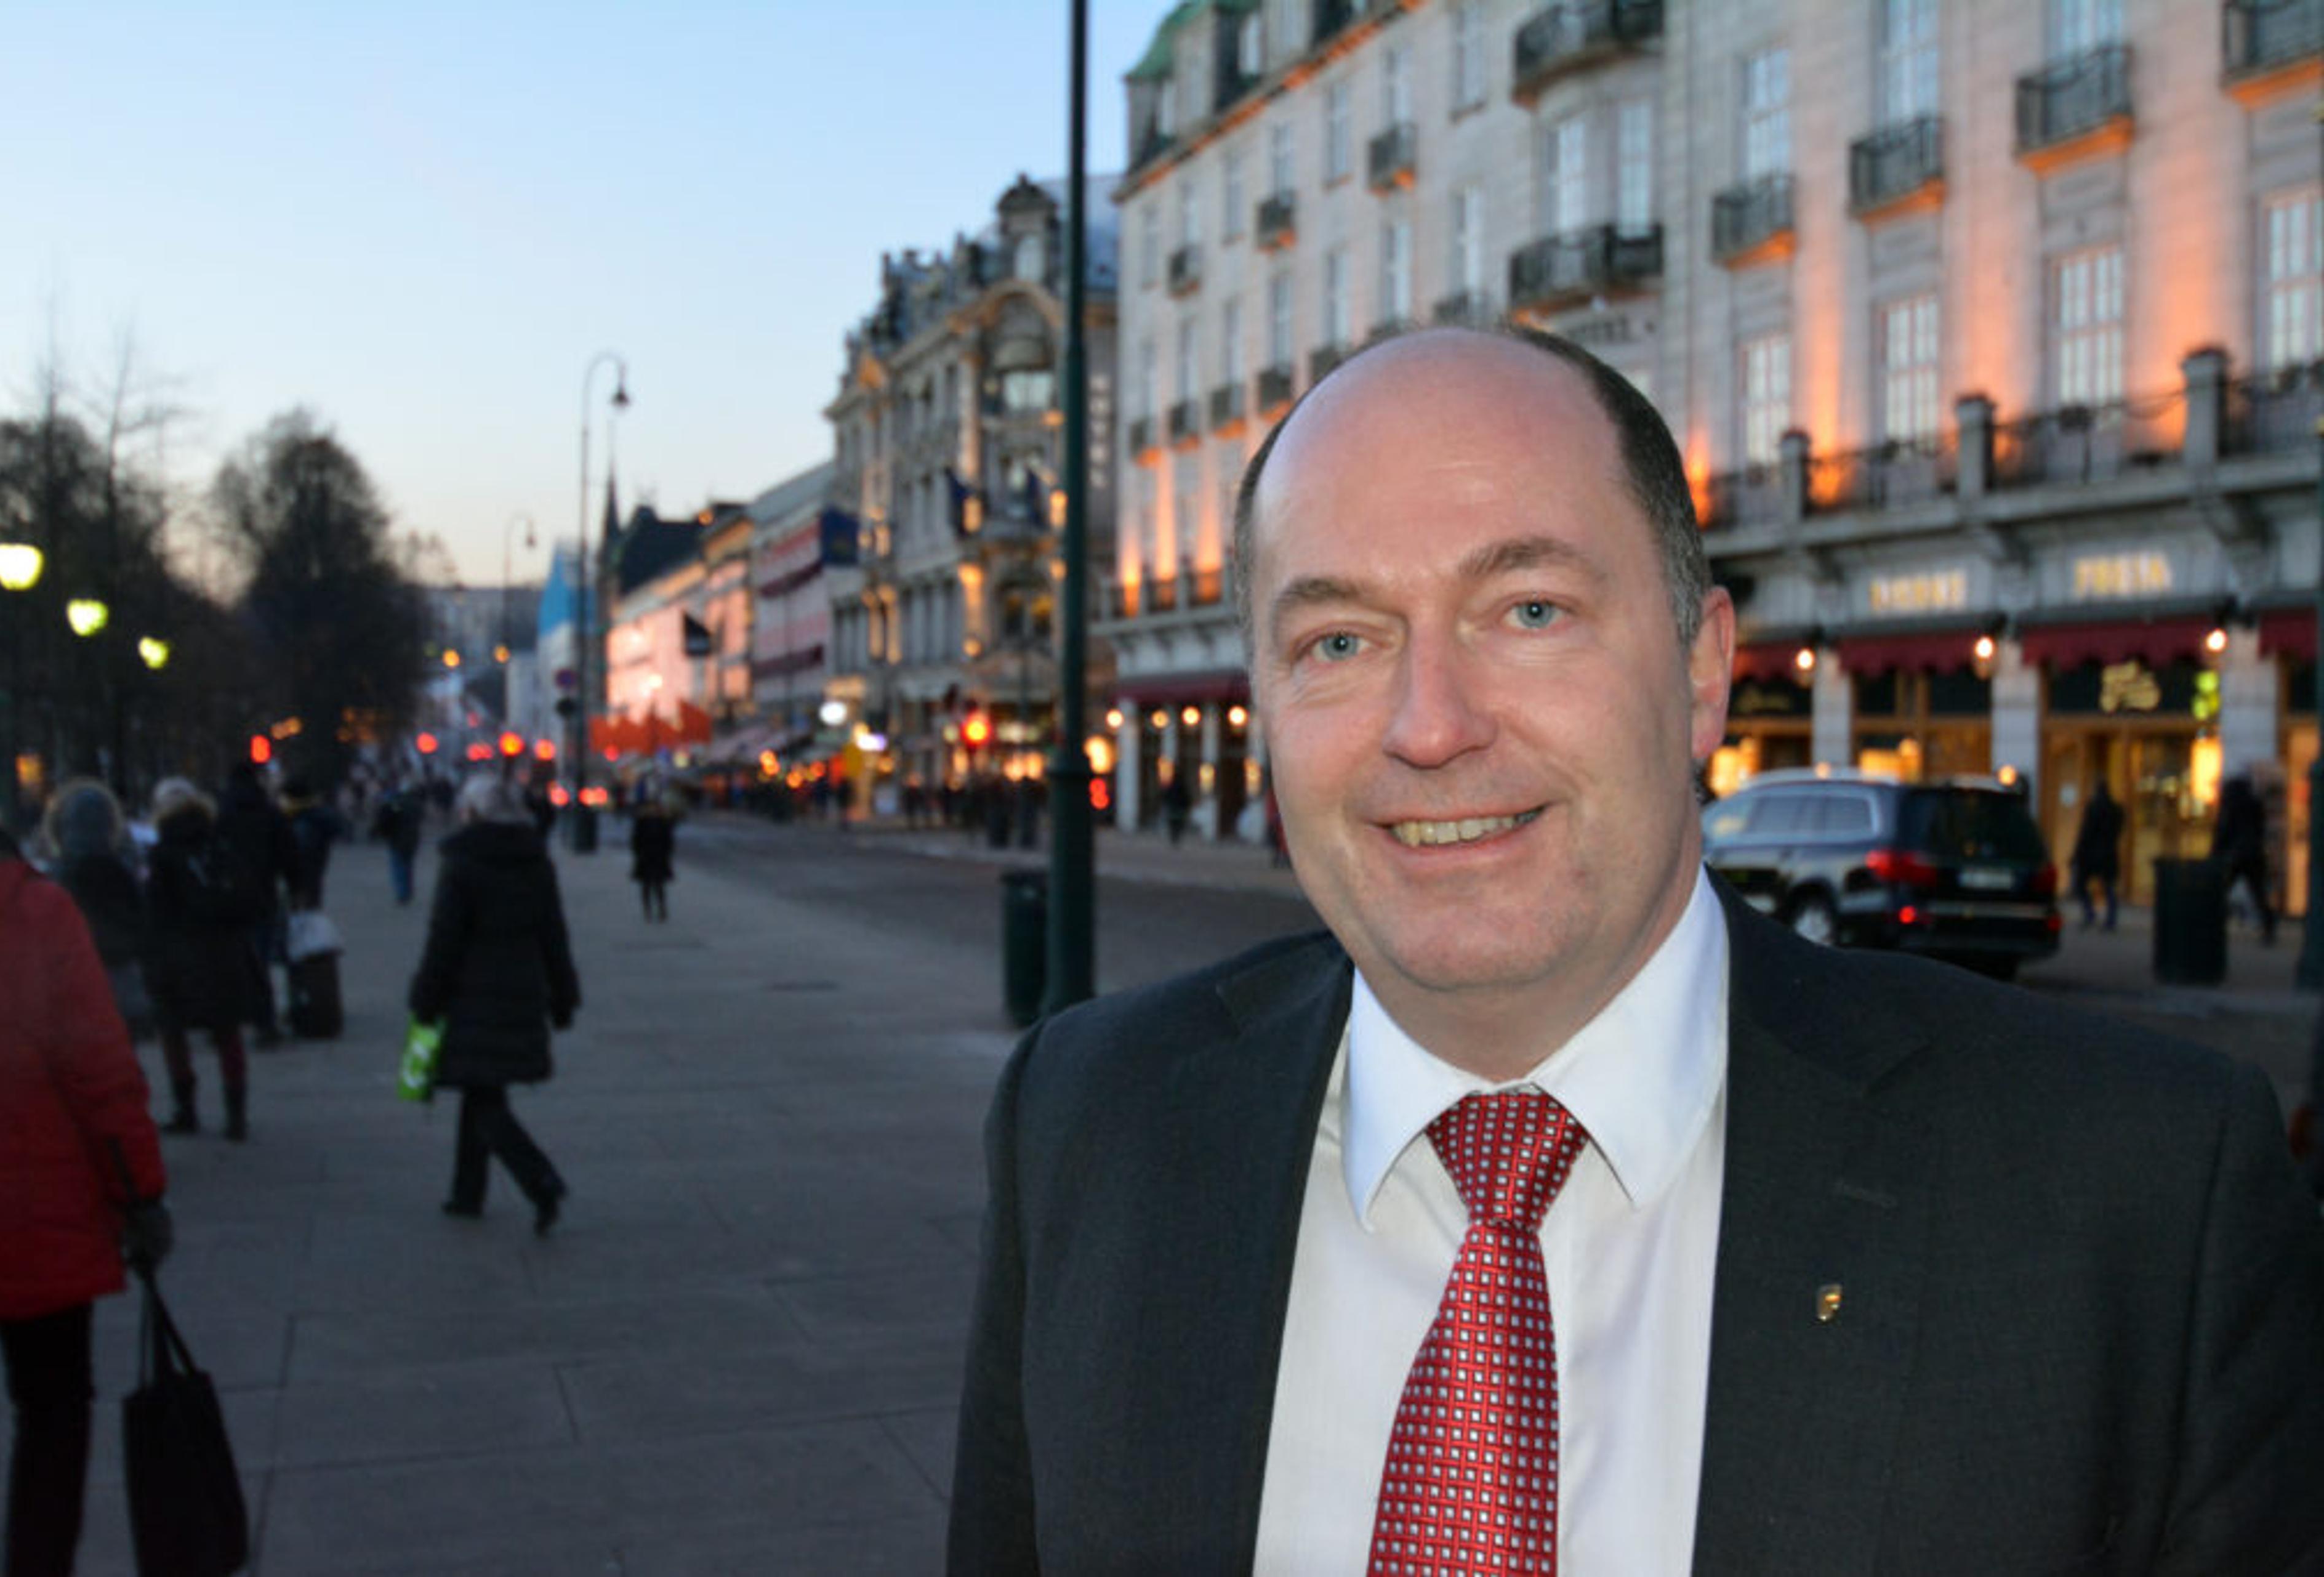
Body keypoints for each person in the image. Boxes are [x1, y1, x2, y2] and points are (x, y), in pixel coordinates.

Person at [947, 328, 2324, 1572]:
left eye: (1531, 611)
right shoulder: (1090, 1123)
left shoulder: (2138, 1195)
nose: (1430, 725)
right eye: (1340, 639)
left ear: (1701, 671)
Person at [0, 740, 172, 1577]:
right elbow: (99, 1069)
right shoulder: (39, 913)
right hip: (36, 1213)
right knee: (53, 1414)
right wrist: (139, 1192)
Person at [409, 773, 581, 1233]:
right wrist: (564, 995)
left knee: (484, 1097)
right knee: (482, 1089)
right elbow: (554, 936)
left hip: (472, 995)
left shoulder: (463, 863)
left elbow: (444, 941)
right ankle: (467, 1192)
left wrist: (426, 996)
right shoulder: (535, 861)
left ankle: (539, 1178)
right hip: (523, 990)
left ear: (471, 812)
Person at [144, 778, 262, 1140]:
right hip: (225, 952)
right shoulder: (220, 845)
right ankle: (236, 1115)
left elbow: (155, 911)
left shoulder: (163, 853)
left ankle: (186, 1109)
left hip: (179, 955)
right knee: (228, 1034)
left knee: (173, 1033)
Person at [41, 779, 153, 1040]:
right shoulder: (123, 870)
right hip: (123, 976)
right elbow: (143, 923)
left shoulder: (58, 875)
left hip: (74, 981)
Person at [213, 762, 297, 1045]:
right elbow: (288, 853)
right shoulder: (269, 812)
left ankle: (229, 1020)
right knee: (260, 960)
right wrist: (297, 885)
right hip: (263, 895)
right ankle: (264, 1022)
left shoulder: (221, 814)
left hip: (227, 898)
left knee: (229, 960)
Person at [2213, 772, 2277, 945]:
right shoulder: (2255, 803)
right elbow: (2261, 828)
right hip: (2254, 853)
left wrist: (2216, 852)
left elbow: (2225, 829)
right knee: (2259, 893)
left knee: (2221, 891)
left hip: (2236, 854)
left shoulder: (2231, 804)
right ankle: (2269, 928)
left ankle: (2215, 924)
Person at [279, 776, 348, 910]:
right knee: (310, 901)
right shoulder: (319, 813)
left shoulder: (293, 818)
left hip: (299, 871)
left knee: (298, 902)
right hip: (315, 869)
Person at [2069, 775, 2124, 931]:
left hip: (2091, 853)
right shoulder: (2116, 809)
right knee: (2109, 886)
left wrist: (2077, 854)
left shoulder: (2094, 808)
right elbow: (2118, 830)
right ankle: (2110, 919)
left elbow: (2086, 832)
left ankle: (2090, 914)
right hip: (2108, 852)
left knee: (2081, 884)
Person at [372, 779, 426, 905]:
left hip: (397, 838)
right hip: (412, 838)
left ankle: (402, 893)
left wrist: (382, 832)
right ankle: (408, 891)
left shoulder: (395, 803)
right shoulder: (416, 804)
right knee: (408, 866)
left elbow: (386, 819)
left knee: (398, 866)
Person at [628, 796, 676, 922]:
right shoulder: (642, 822)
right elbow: (636, 840)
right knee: (647, 886)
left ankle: (662, 909)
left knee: (659, 885)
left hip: (659, 857)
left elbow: (669, 841)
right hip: (646, 857)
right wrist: (639, 854)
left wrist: (667, 854)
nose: (652, 810)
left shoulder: (663, 821)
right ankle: (648, 910)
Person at [1160, 768, 1194, 846]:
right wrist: (1187, 806)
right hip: (1179, 809)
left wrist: (1167, 804)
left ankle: (1174, 837)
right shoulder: (1183, 787)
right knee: (1179, 824)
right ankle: (1176, 837)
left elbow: (1166, 796)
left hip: (1173, 808)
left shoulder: (1172, 786)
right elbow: (1187, 798)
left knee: (1173, 824)